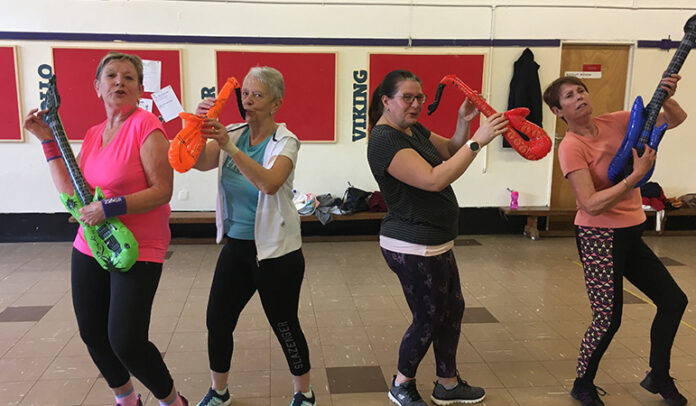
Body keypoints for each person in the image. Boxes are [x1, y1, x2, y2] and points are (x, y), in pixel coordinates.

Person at [23, 52, 186, 406]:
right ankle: (127, 400)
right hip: (90, 244)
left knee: (126, 339)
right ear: (97, 87)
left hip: (140, 246)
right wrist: (48, 142)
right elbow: (74, 195)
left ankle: (173, 401)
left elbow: (163, 190)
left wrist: (110, 207)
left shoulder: (147, 127)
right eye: (111, 76)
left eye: (129, 77)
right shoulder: (94, 134)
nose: (119, 82)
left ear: (140, 88)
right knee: (93, 333)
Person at [543, 74, 688, 406]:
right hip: (597, 235)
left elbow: (676, 119)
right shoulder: (571, 147)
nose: (579, 97)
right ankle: (582, 383)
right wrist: (636, 178)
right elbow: (589, 203)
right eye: (569, 96)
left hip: (631, 231)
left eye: (581, 90)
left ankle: (658, 375)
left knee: (673, 301)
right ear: (557, 110)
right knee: (608, 318)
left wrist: (667, 97)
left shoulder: (621, 121)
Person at [366, 70, 508, 406]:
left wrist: (464, 124)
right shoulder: (385, 139)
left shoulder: (410, 129)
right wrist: (479, 141)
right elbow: (433, 179)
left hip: (435, 241)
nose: (415, 104)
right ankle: (402, 384)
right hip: (413, 244)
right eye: (407, 98)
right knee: (428, 317)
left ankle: (447, 383)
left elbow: (448, 150)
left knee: (452, 308)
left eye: (420, 97)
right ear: (386, 101)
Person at [191, 66, 314, 406]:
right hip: (237, 246)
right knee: (217, 320)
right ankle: (219, 391)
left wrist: (229, 146)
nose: (247, 100)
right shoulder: (233, 132)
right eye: (244, 93)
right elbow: (198, 163)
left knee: (284, 324)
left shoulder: (286, 141)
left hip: (277, 254)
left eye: (257, 95)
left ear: (276, 103)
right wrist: (200, 130)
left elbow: (270, 183)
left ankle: (304, 392)